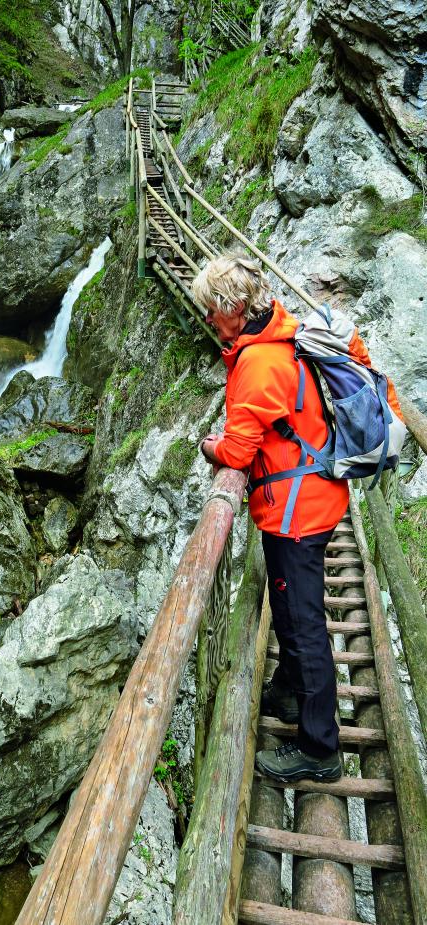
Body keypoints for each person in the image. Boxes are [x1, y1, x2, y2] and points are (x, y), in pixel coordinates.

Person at [192, 252, 354, 783]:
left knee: (304, 623)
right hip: (309, 496)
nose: (210, 321)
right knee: (288, 606)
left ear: (235, 308)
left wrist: (210, 445)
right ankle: (289, 689)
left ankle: (319, 749)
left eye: (213, 311)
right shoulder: (274, 337)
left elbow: (238, 452)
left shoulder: (261, 363)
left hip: (296, 510)